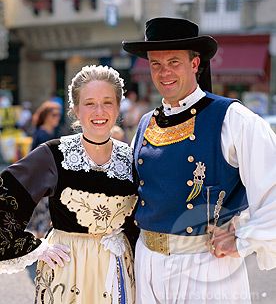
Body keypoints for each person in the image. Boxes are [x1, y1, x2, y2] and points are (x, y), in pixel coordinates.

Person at [122, 17, 276, 303]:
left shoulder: (232, 118)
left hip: (206, 266)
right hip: (147, 263)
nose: (164, 72)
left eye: (174, 62)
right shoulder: (145, 124)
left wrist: (243, 238)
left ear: (195, 64)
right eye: (156, 64)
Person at [0, 65, 138, 304]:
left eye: (107, 102)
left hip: (118, 270)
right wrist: (36, 247)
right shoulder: (54, 153)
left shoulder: (133, 157)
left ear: (118, 107)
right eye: (89, 103)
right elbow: (6, 195)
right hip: (67, 269)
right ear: (75, 109)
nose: (99, 111)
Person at [27, 101, 62, 238]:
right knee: (43, 215)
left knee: (45, 215)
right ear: (46, 116)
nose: (57, 117)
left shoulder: (51, 132)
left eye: (59, 115)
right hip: (41, 180)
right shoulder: (41, 134)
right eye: (54, 114)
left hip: (49, 179)